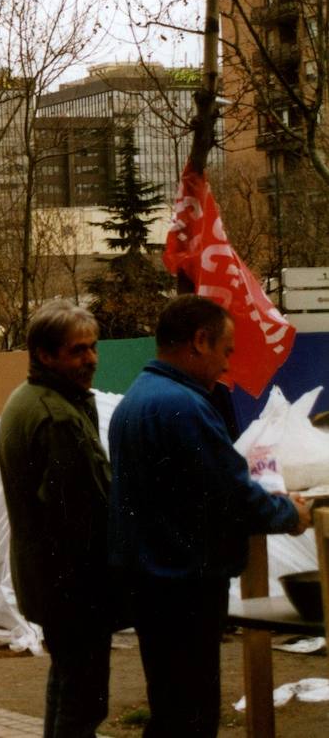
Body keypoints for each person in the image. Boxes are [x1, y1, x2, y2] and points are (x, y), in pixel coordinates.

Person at [109, 294, 311, 737]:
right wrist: (290, 513)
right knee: (192, 714)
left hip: (151, 583)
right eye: (226, 351)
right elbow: (230, 495)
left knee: (171, 707)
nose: (226, 365)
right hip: (185, 586)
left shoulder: (135, 401)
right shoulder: (184, 407)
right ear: (199, 341)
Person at [0, 299, 114, 737]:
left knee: (67, 686)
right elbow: (80, 516)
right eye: (78, 350)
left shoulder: (31, 398)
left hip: (51, 582)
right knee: (83, 703)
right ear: (44, 355)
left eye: (93, 347)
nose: (91, 359)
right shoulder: (57, 418)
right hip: (74, 586)